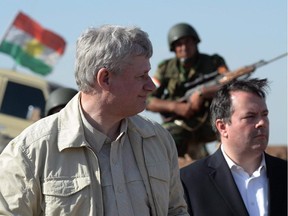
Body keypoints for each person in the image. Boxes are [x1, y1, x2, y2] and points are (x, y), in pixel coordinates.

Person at [0, 25, 189, 215]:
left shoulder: (158, 141)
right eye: (141, 76)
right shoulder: (31, 151)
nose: (150, 86)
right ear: (105, 78)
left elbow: (176, 211)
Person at [180, 78, 287, 216]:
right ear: (223, 127)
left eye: (264, 115)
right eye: (250, 116)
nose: (262, 123)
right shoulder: (188, 182)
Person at [146, 22, 229, 163]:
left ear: (195, 43)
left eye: (188, 42)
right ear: (173, 48)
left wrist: (202, 93)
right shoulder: (165, 68)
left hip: (210, 122)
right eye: (179, 44)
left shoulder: (214, 62)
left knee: (233, 130)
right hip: (179, 125)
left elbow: (229, 85)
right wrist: (175, 107)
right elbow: (148, 99)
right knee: (166, 141)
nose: (184, 48)